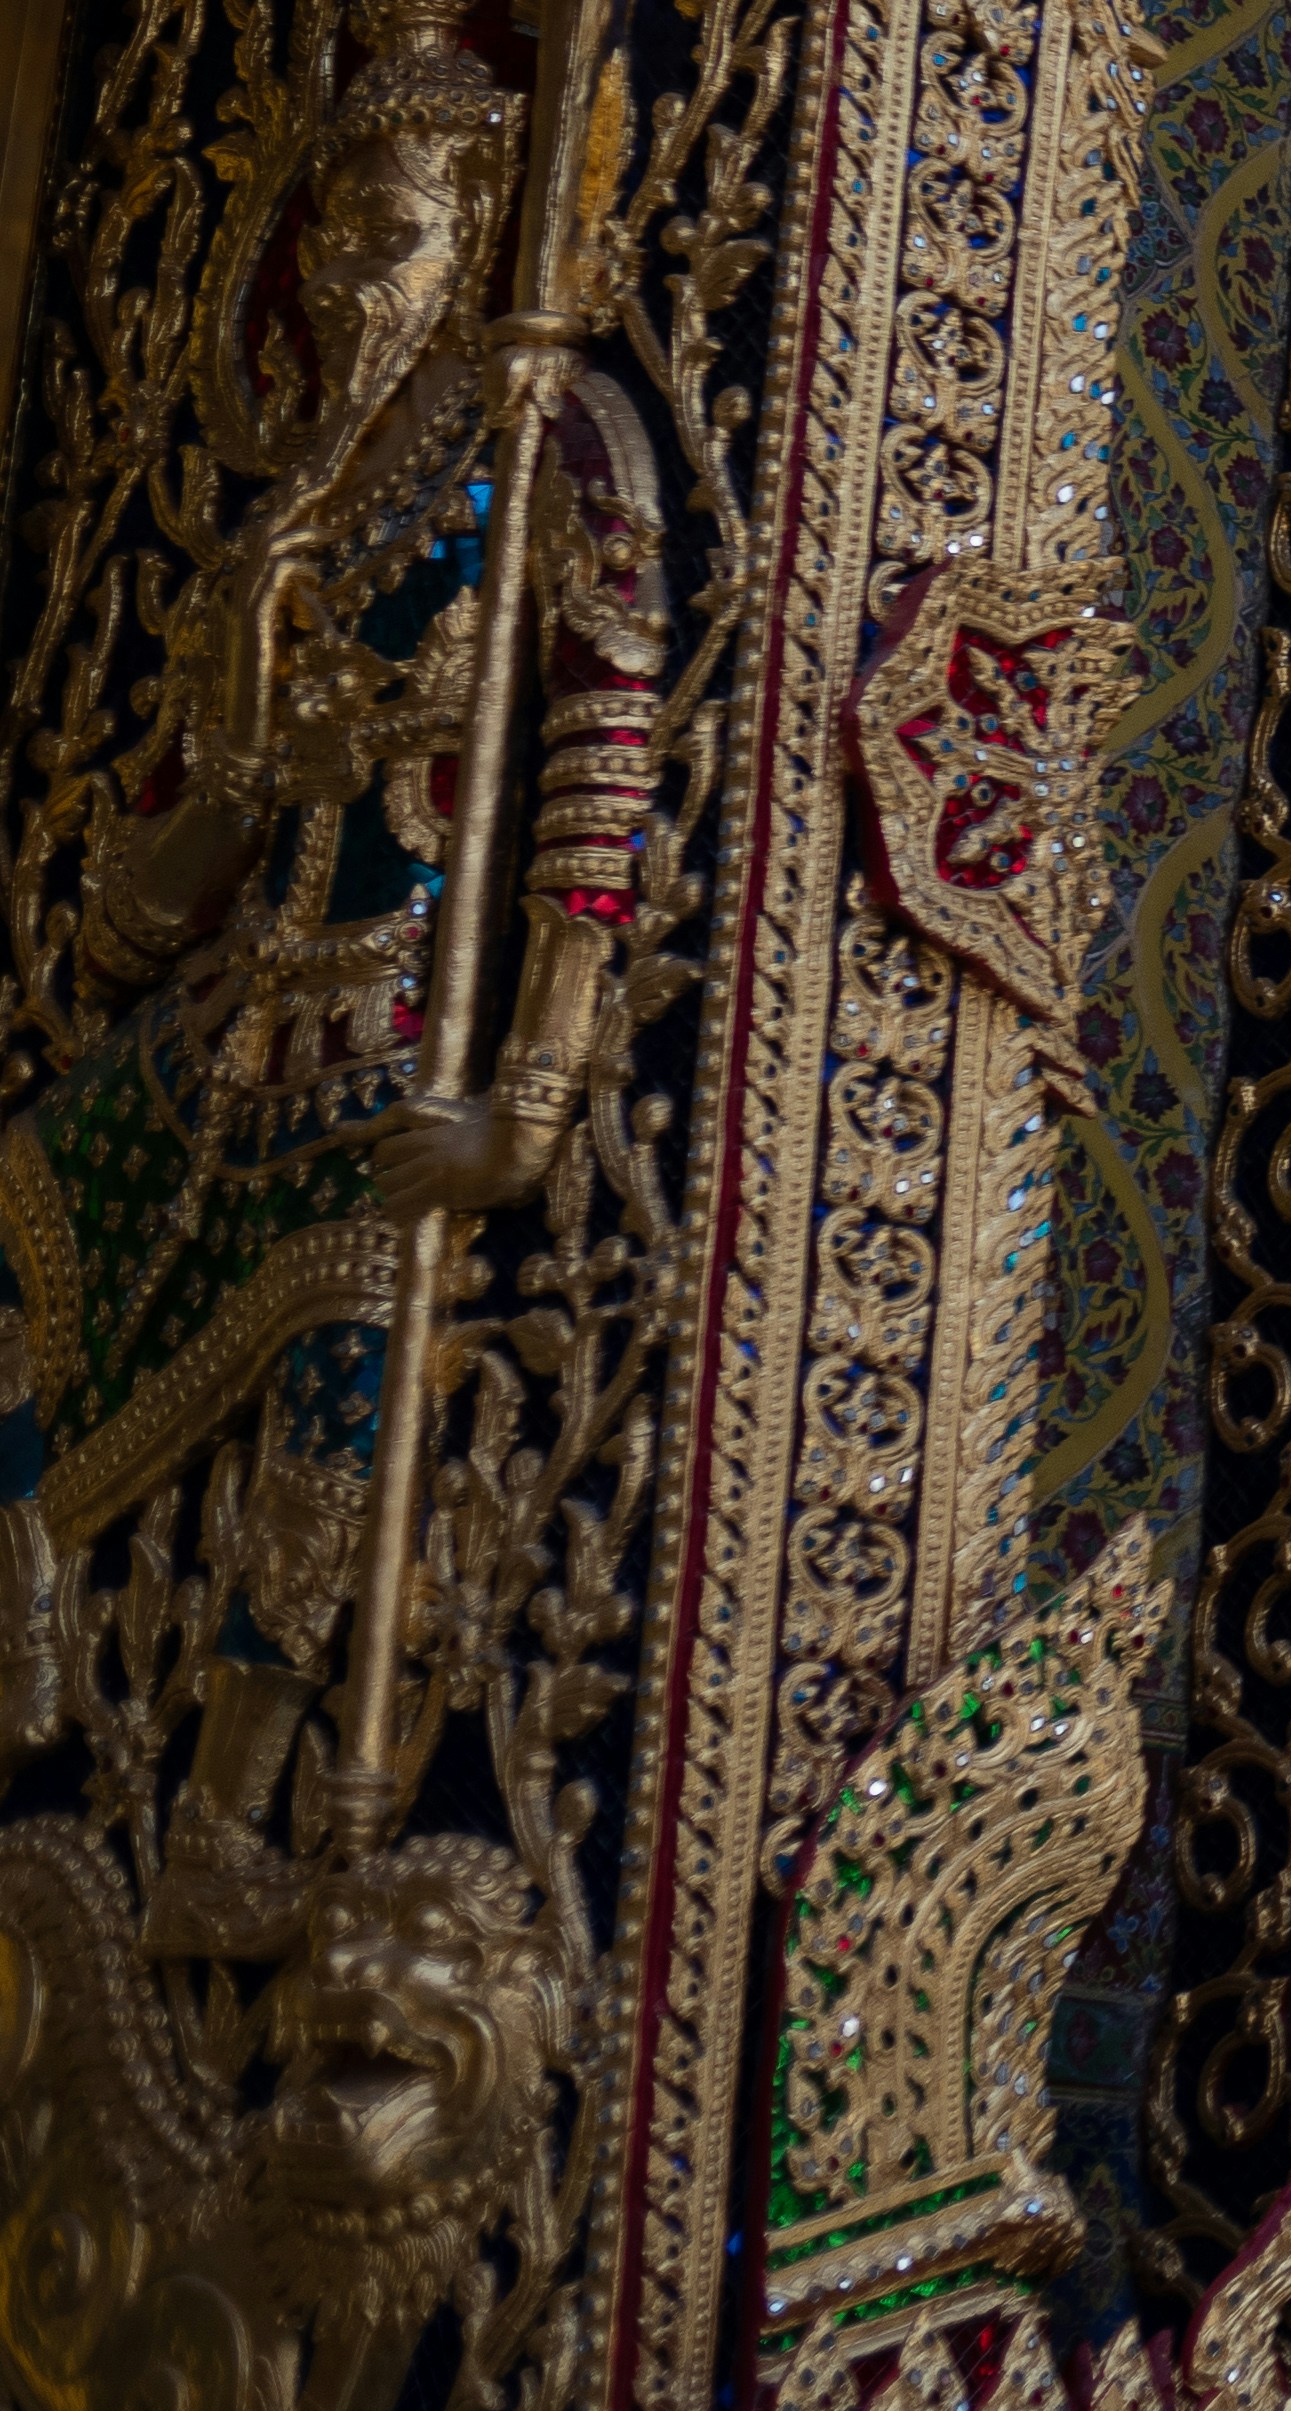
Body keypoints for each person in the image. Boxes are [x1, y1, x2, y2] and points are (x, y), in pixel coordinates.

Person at [0, 0, 664, 1950]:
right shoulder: (303, 519)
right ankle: (33, 1559)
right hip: (233, 1025)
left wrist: (531, 1082)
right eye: (336, 247)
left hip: (399, 1022)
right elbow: (140, 896)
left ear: (480, 233)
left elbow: (599, 767)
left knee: (349, 1348)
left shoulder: (551, 439)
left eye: (392, 239)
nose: (358, 286)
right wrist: (245, 781)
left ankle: (228, 1809)